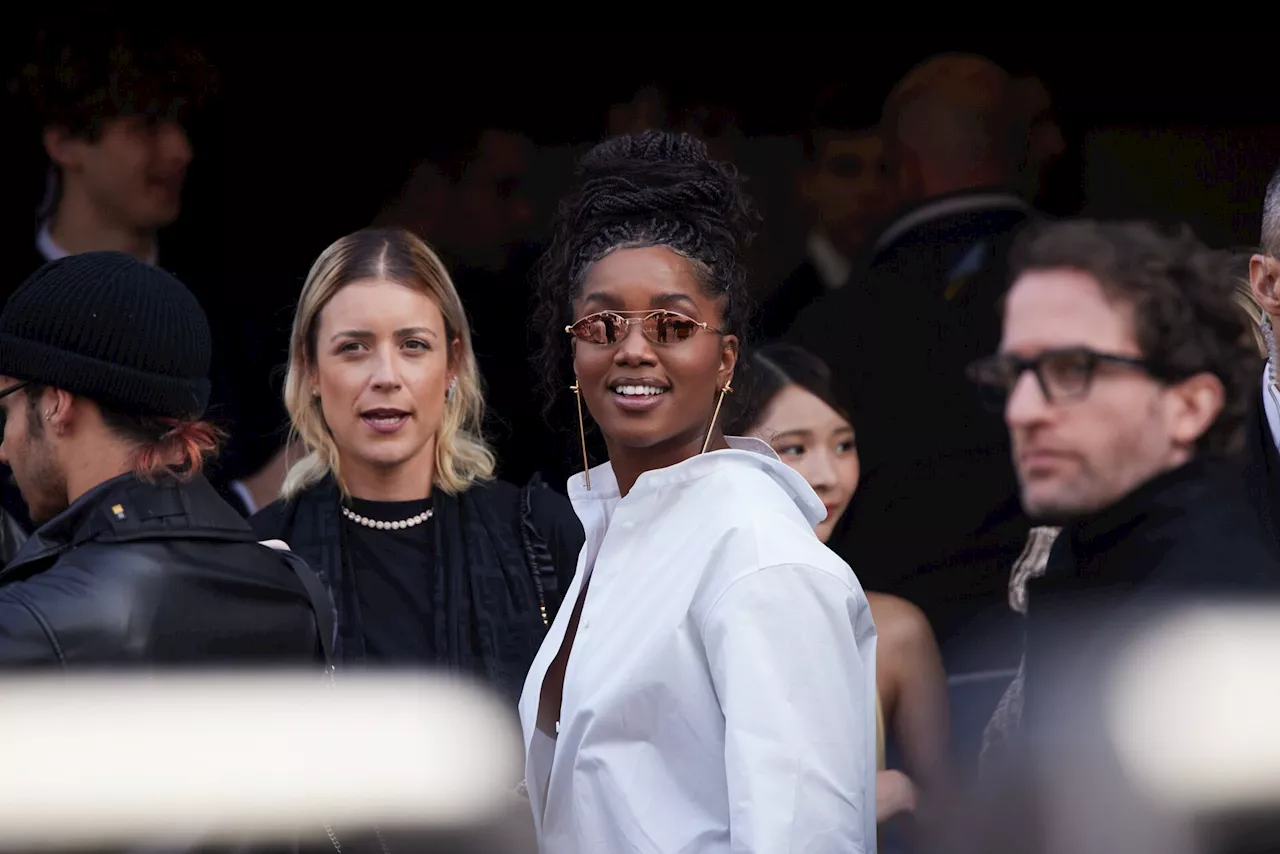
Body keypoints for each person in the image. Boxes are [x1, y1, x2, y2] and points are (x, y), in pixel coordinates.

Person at [519, 131, 877, 853]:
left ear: (725, 359)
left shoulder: (760, 557)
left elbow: (807, 835)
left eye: (674, 324)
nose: (634, 347)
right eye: (602, 322)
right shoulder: (616, 533)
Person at [966, 219, 1280, 740]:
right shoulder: (1088, 556)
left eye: (1074, 369)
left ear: (1190, 405)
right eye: (1013, 374)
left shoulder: (1225, 622)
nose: (1022, 410)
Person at [251, 227, 583, 693]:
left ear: (452, 364)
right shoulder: (259, 559)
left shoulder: (542, 538)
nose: (386, 376)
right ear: (310, 370)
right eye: (353, 347)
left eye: (413, 345)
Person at [0, 251, 327, 667]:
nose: (3, 449)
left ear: (56, 403)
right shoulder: (294, 591)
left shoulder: (30, 621)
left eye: (4, 412)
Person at [727, 342, 952, 831]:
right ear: (728, 455)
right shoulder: (682, 616)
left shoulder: (895, 632)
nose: (828, 476)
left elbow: (954, 824)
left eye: (843, 445)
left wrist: (907, 795)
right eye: (795, 448)